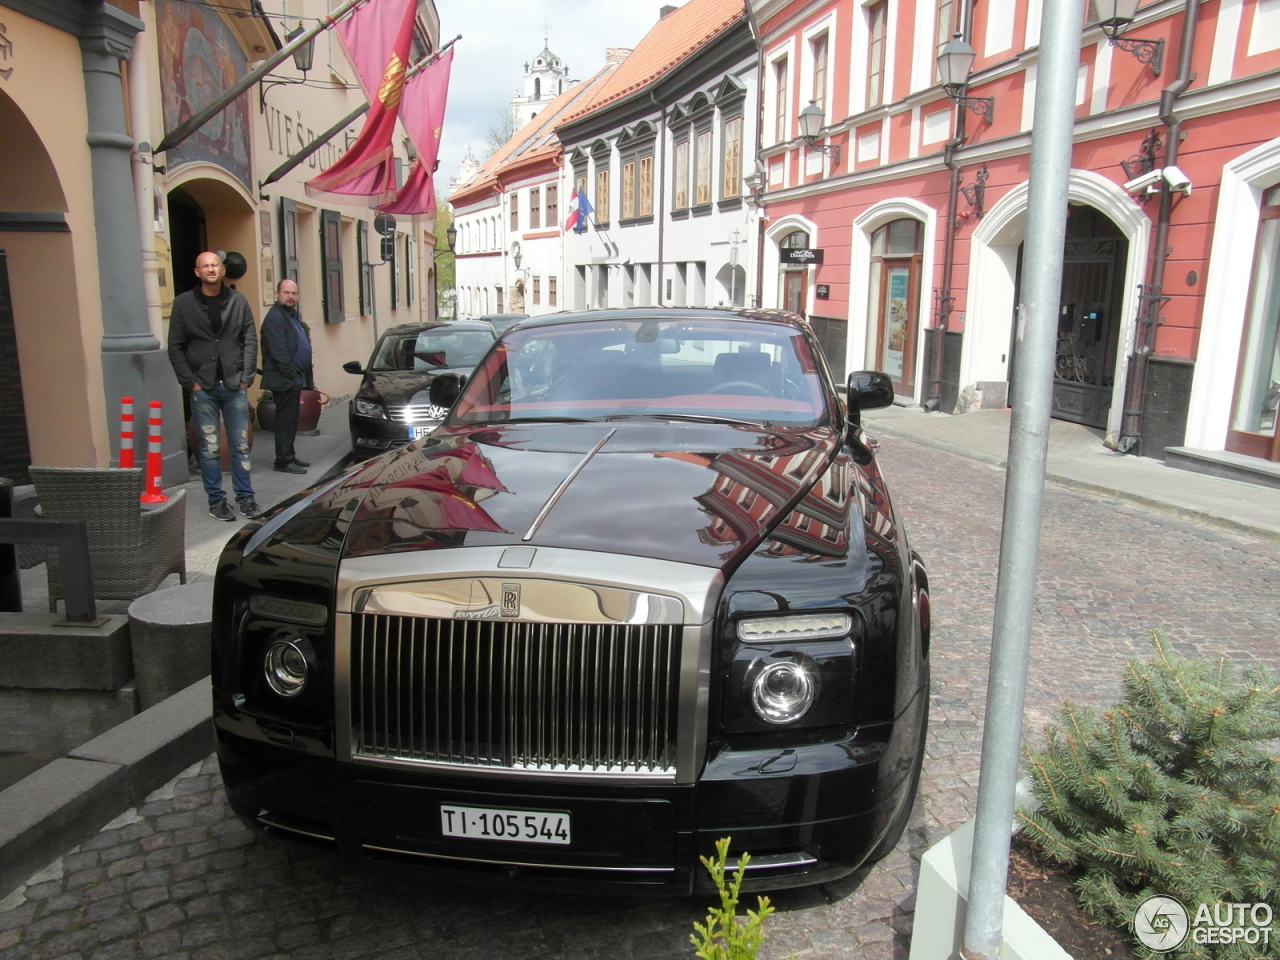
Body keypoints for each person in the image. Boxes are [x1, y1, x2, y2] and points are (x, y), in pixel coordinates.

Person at [167, 251, 263, 521]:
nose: (210, 270)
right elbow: (175, 346)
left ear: (222, 270)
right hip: (203, 386)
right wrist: (190, 382)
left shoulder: (237, 300)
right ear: (197, 272)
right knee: (208, 449)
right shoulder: (184, 303)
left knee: (240, 445)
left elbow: (249, 338)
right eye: (205, 266)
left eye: (215, 265)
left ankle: (246, 499)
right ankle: (216, 501)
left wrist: (246, 376)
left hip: (234, 382)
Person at [260, 278, 314, 475]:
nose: (291, 296)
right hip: (284, 379)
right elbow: (279, 353)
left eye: (294, 293)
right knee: (284, 420)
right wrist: (293, 375)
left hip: (293, 378)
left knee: (291, 420)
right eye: (286, 293)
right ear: (278, 294)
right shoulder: (275, 318)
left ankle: (289, 455)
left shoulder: (290, 315)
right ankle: (283, 460)